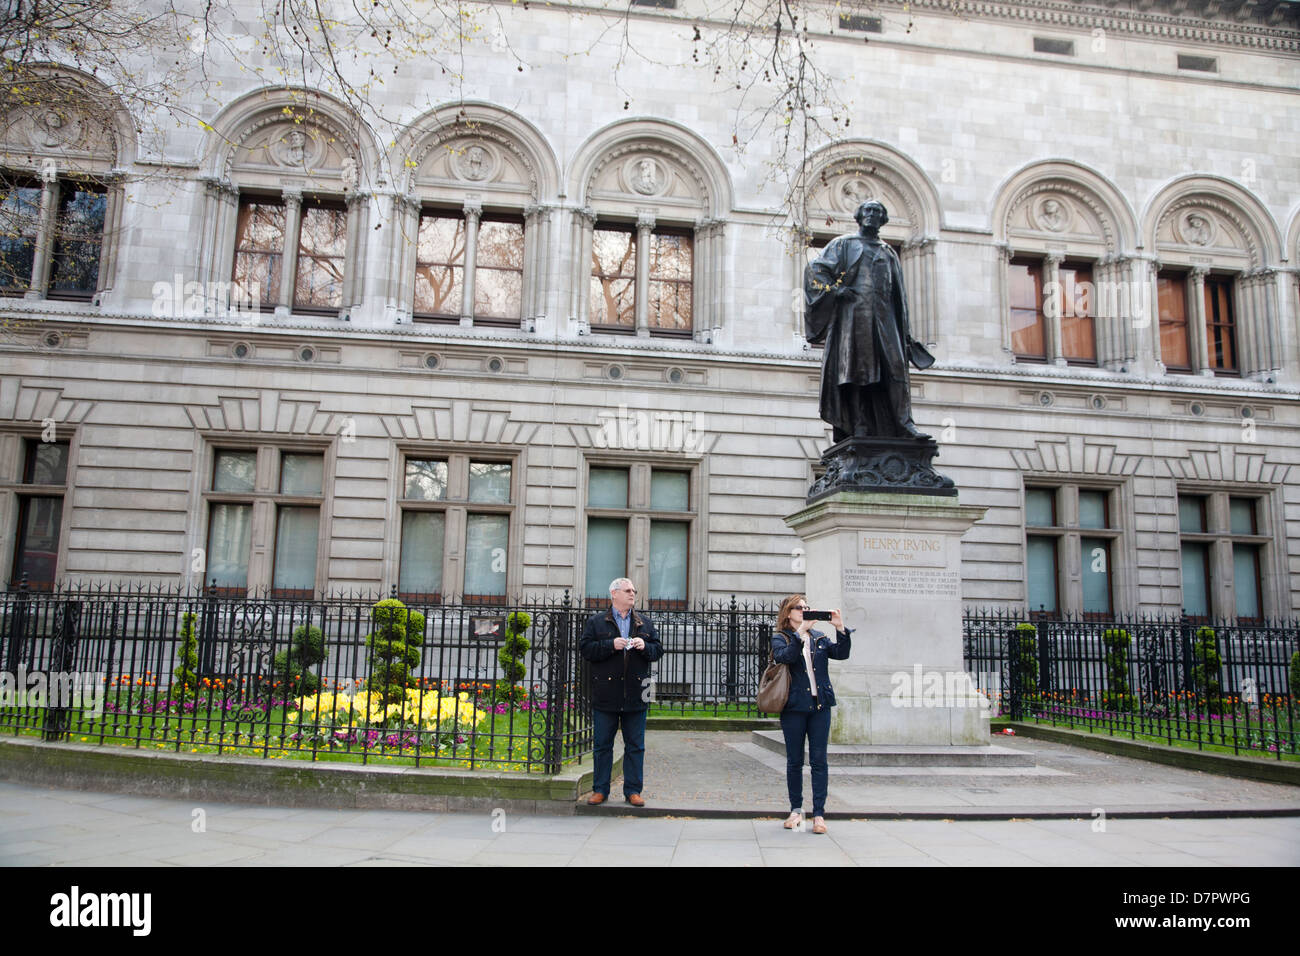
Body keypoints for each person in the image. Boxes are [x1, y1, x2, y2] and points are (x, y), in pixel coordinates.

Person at [804, 199, 930, 442]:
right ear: (859, 216)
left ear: (883, 219)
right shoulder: (843, 244)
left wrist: (905, 334)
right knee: (858, 372)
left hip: (886, 321)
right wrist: (834, 290)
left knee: (895, 371)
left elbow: (899, 296)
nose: (872, 215)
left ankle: (905, 423)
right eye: (868, 210)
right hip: (855, 320)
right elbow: (814, 270)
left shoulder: (888, 252)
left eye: (878, 212)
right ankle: (859, 425)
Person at [770, 594, 852, 833]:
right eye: (799, 608)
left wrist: (840, 628)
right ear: (788, 613)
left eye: (807, 607)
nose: (804, 611)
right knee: (794, 761)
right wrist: (799, 634)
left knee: (819, 761)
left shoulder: (819, 637)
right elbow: (785, 657)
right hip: (794, 707)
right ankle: (796, 810)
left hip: (820, 707)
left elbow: (841, 653)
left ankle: (819, 815)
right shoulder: (781, 638)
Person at [580, 577, 663, 806]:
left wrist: (645, 646)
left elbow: (658, 650)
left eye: (634, 590)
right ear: (614, 594)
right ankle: (600, 790)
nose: (632, 594)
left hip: (637, 692)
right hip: (606, 692)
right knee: (602, 745)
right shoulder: (597, 622)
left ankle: (633, 791)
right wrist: (609, 645)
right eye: (627, 590)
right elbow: (585, 649)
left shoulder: (644, 623)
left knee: (636, 745)